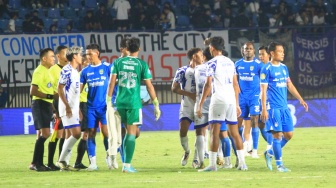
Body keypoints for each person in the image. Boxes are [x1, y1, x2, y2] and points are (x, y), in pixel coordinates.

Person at [107, 37, 161, 173]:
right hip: (133, 103)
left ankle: (124, 160)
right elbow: (149, 86)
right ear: (139, 49)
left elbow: (111, 83)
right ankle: (127, 165)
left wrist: (108, 100)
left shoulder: (117, 62)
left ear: (127, 48)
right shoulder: (142, 64)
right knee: (132, 133)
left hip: (119, 102)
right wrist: (156, 104)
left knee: (132, 132)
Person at [196, 36, 247, 172]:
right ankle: (242, 163)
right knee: (235, 133)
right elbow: (236, 85)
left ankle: (212, 165)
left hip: (218, 100)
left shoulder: (211, 63)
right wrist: (236, 104)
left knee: (214, 132)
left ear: (212, 48)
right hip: (231, 100)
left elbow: (208, 85)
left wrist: (200, 104)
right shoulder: (230, 62)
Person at [260, 42, 308, 172]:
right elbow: (263, 91)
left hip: (284, 107)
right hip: (273, 107)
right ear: (272, 53)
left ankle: (269, 153)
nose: (283, 53)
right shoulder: (266, 69)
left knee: (289, 134)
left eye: (283, 51)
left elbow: (290, 85)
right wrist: (264, 109)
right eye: (280, 51)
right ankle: (279, 165)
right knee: (277, 136)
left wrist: (300, 99)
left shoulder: (284, 68)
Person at [80, 44, 111, 171]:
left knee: (106, 133)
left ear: (97, 53)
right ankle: (92, 162)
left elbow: (115, 83)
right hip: (91, 108)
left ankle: (110, 157)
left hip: (104, 107)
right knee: (91, 133)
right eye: (86, 54)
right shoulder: (85, 71)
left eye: (90, 54)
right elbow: (79, 90)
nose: (88, 57)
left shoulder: (108, 67)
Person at [235, 42, 264, 158]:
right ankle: (242, 148)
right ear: (242, 51)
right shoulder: (237, 64)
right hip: (241, 99)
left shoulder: (259, 65)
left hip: (254, 98)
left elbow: (263, 83)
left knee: (254, 123)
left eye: (250, 49)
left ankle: (255, 151)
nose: (248, 51)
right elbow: (235, 83)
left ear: (254, 51)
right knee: (237, 124)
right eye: (246, 49)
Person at [56, 46, 84, 171]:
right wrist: (67, 106)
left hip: (73, 108)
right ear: (74, 56)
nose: (81, 57)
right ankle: (61, 160)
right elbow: (60, 88)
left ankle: (65, 164)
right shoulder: (67, 70)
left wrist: (78, 109)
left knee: (69, 136)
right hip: (67, 108)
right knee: (77, 134)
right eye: (80, 55)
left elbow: (75, 93)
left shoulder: (75, 72)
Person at [29, 48, 55, 171]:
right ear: (44, 58)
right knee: (45, 133)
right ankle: (35, 163)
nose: (53, 59)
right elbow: (33, 91)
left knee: (45, 134)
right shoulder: (39, 71)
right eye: (51, 56)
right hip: (40, 104)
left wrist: (53, 107)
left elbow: (49, 90)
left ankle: (38, 163)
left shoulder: (48, 71)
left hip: (46, 105)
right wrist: (48, 96)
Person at [171, 48, 197, 167]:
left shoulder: (205, 70)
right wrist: (190, 94)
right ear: (193, 57)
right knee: (183, 130)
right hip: (186, 106)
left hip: (200, 106)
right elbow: (174, 88)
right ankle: (187, 151)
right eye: (200, 55)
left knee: (200, 132)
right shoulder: (182, 71)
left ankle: (196, 158)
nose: (203, 57)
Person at [47, 45, 68, 171]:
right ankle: (50, 162)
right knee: (57, 134)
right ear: (58, 56)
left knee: (65, 134)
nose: (67, 55)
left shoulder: (69, 69)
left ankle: (61, 161)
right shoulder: (52, 70)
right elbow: (50, 90)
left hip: (66, 105)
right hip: (57, 104)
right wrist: (53, 109)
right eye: (65, 53)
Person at [73, 54, 90, 169]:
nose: (89, 63)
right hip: (83, 105)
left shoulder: (92, 75)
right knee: (85, 135)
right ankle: (78, 162)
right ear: (83, 63)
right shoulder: (80, 75)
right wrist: (78, 110)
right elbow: (76, 94)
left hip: (90, 106)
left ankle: (90, 162)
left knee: (88, 135)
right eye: (87, 61)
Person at [258, 45, 273, 153]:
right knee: (261, 124)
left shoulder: (269, 68)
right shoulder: (263, 67)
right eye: (259, 54)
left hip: (268, 101)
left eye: (263, 54)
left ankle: (270, 149)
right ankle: (271, 146)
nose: (260, 56)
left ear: (269, 55)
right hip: (261, 99)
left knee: (268, 125)